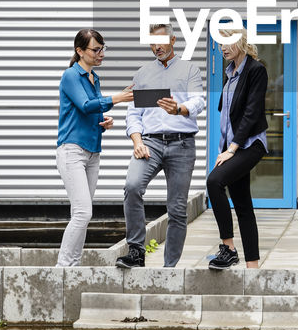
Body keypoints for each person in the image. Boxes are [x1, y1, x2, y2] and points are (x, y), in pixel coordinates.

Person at [117, 23, 205, 269]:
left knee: (177, 209)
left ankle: (169, 269)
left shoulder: (189, 70)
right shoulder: (143, 74)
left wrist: (179, 108)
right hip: (151, 143)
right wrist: (137, 141)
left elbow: (199, 101)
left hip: (182, 145)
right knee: (132, 186)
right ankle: (136, 252)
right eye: (152, 43)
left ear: (173, 40)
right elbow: (133, 114)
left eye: (161, 42)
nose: (157, 47)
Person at [56, 28, 133, 266]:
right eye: (95, 49)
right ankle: (62, 268)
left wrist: (103, 123)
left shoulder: (94, 78)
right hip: (72, 151)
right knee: (83, 213)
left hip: (92, 153)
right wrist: (117, 98)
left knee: (81, 215)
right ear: (80, 51)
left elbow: (91, 113)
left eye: (103, 49)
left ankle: (73, 266)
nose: (101, 54)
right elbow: (86, 104)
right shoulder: (71, 75)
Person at [205, 30, 268, 269]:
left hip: (250, 144)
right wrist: (225, 147)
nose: (223, 47)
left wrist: (231, 149)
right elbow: (227, 114)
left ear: (241, 42)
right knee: (243, 205)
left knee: (214, 182)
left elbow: (251, 114)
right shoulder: (229, 73)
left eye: (228, 42)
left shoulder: (256, 70)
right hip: (231, 146)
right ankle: (253, 267)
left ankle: (228, 248)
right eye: (220, 43)